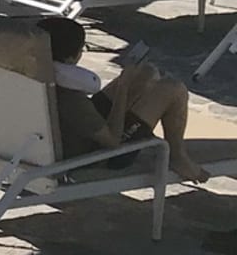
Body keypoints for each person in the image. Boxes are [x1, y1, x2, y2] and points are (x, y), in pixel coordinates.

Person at [40, 15, 207, 183]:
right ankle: (178, 157)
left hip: (77, 135)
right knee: (174, 89)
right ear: (70, 58)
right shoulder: (71, 99)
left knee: (146, 73)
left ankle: (143, 129)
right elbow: (113, 141)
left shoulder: (40, 82)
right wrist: (123, 87)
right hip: (101, 156)